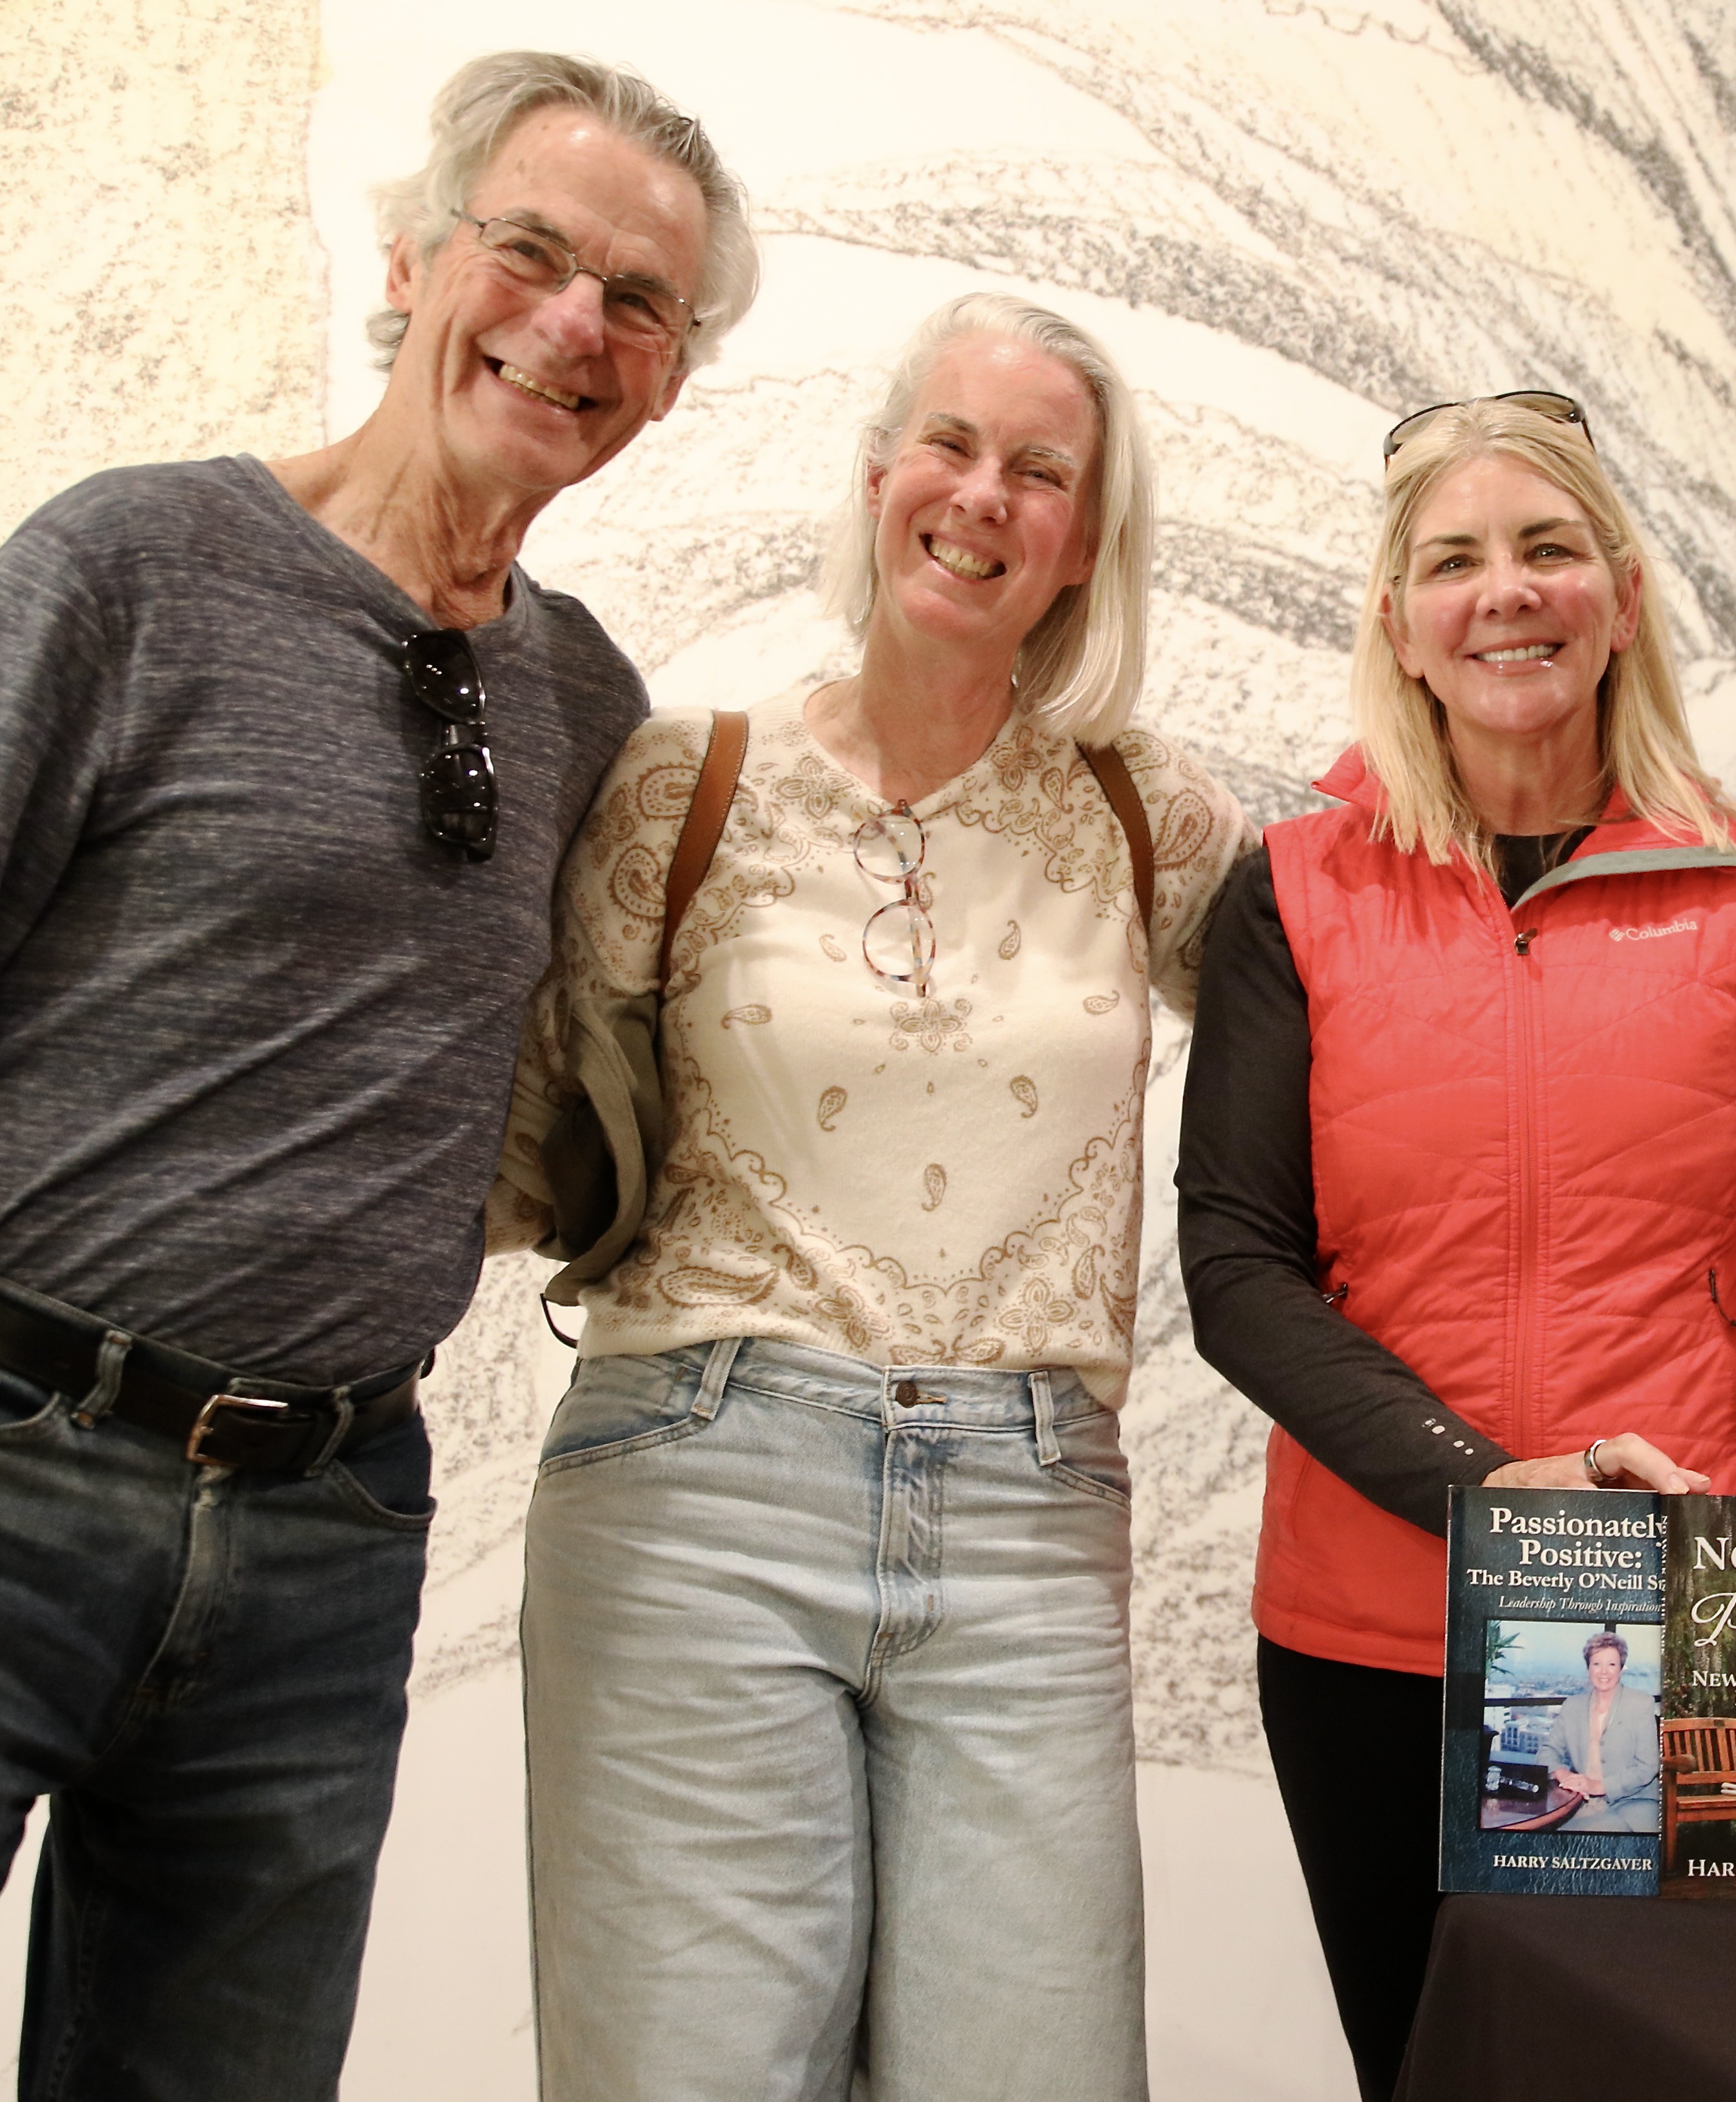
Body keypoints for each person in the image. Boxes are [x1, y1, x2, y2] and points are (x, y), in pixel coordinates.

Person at [0, 52, 752, 2099]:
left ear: (671, 378)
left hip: (325, 1550)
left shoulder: (584, 697)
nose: (571, 323)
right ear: (410, 258)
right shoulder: (126, 567)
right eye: (528, 252)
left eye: (637, 301)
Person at [493, 292, 1245, 2102]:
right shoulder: (685, 781)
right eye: (951, 445)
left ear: (1084, 541)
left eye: (1038, 471)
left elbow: (1365, 1021)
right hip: (697, 1482)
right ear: (877, 474)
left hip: (1029, 1515)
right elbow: (509, 1120)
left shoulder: (1148, 816)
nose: (983, 495)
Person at [1177, 393, 1736, 2102]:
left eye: (1546, 548)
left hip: (1711, 1608)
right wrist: (1485, 1489)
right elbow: (1237, 1266)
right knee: (1439, 2073)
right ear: (1397, 622)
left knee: (1714, 2078)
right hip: (1380, 1632)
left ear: (1622, 593)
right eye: (1454, 561)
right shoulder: (1289, 894)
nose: (1505, 592)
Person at [1547, 1631, 1661, 1833]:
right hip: (1581, 1802)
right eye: (1597, 1664)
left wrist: (1597, 1786)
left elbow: (1648, 1767)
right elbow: (1548, 1751)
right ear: (1588, 1668)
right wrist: (1564, 1775)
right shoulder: (1572, 1706)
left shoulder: (1641, 1703)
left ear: (1621, 1668)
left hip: (1635, 1801)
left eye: (1612, 1664)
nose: (1604, 1672)